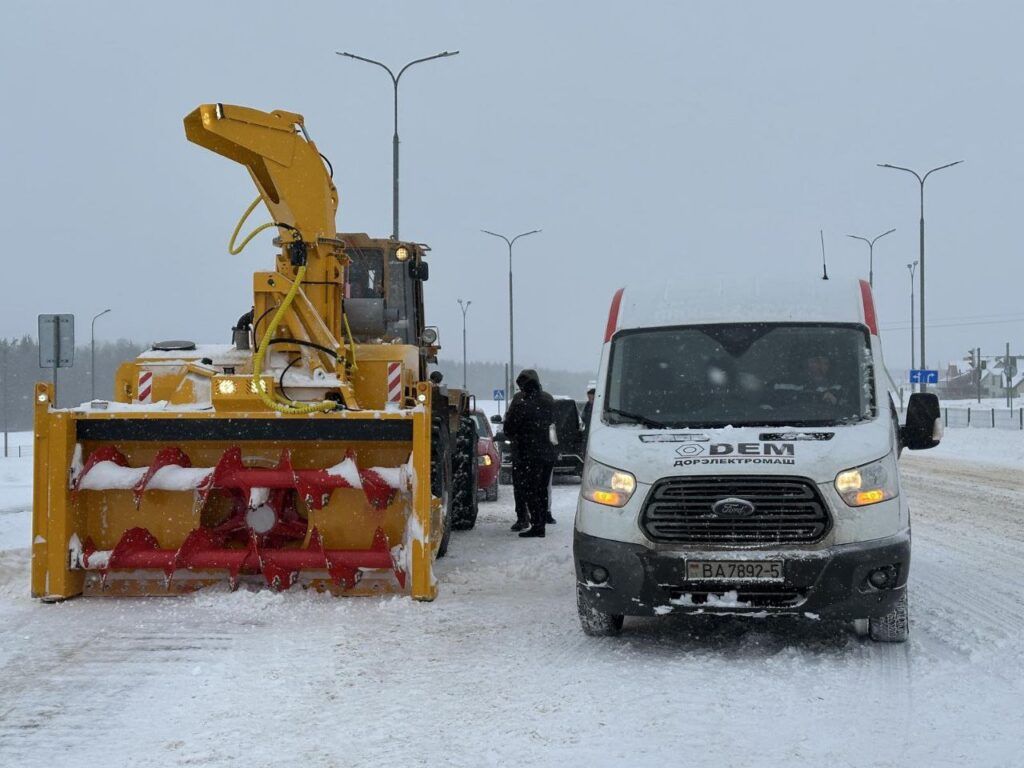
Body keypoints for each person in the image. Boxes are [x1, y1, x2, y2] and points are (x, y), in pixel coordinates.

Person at [502, 369, 556, 538]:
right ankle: (541, 519)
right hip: (546, 453)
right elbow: (555, 425)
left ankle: (532, 522)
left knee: (526, 489)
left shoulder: (520, 402)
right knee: (541, 489)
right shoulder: (548, 400)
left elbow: (509, 428)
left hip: (526, 454)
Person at [580, 381, 596, 455]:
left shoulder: (596, 406)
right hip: (587, 429)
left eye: (591, 398)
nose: (589, 400)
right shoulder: (587, 405)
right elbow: (583, 416)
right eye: (588, 398)